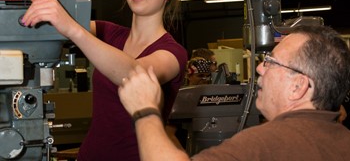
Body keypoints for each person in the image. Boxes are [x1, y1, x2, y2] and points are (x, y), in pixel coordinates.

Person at [22, 0, 191, 160]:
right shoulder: (109, 33)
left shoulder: (172, 52)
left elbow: (134, 74)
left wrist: (72, 27)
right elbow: (31, 15)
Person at [118, 25, 350, 161]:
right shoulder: (341, 141)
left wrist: (145, 111)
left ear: (298, 86)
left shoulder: (266, 144)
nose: (259, 67)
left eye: (271, 62)